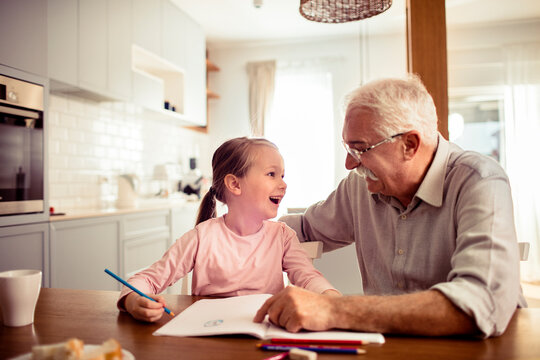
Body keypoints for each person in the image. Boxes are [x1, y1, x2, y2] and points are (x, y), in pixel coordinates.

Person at [253, 76, 526, 338]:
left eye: (360, 149)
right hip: (386, 347)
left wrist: (332, 308)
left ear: (409, 144)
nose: (349, 164)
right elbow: (305, 228)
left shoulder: (478, 180)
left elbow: (480, 303)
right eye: (347, 149)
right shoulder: (359, 187)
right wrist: (239, 224)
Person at [117, 137, 340, 322]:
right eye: (272, 174)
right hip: (208, 333)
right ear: (234, 184)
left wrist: (331, 298)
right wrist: (134, 300)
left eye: (282, 175)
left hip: (263, 334)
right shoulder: (201, 237)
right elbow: (147, 279)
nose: (283, 184)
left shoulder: (282, 236)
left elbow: (308, 277)